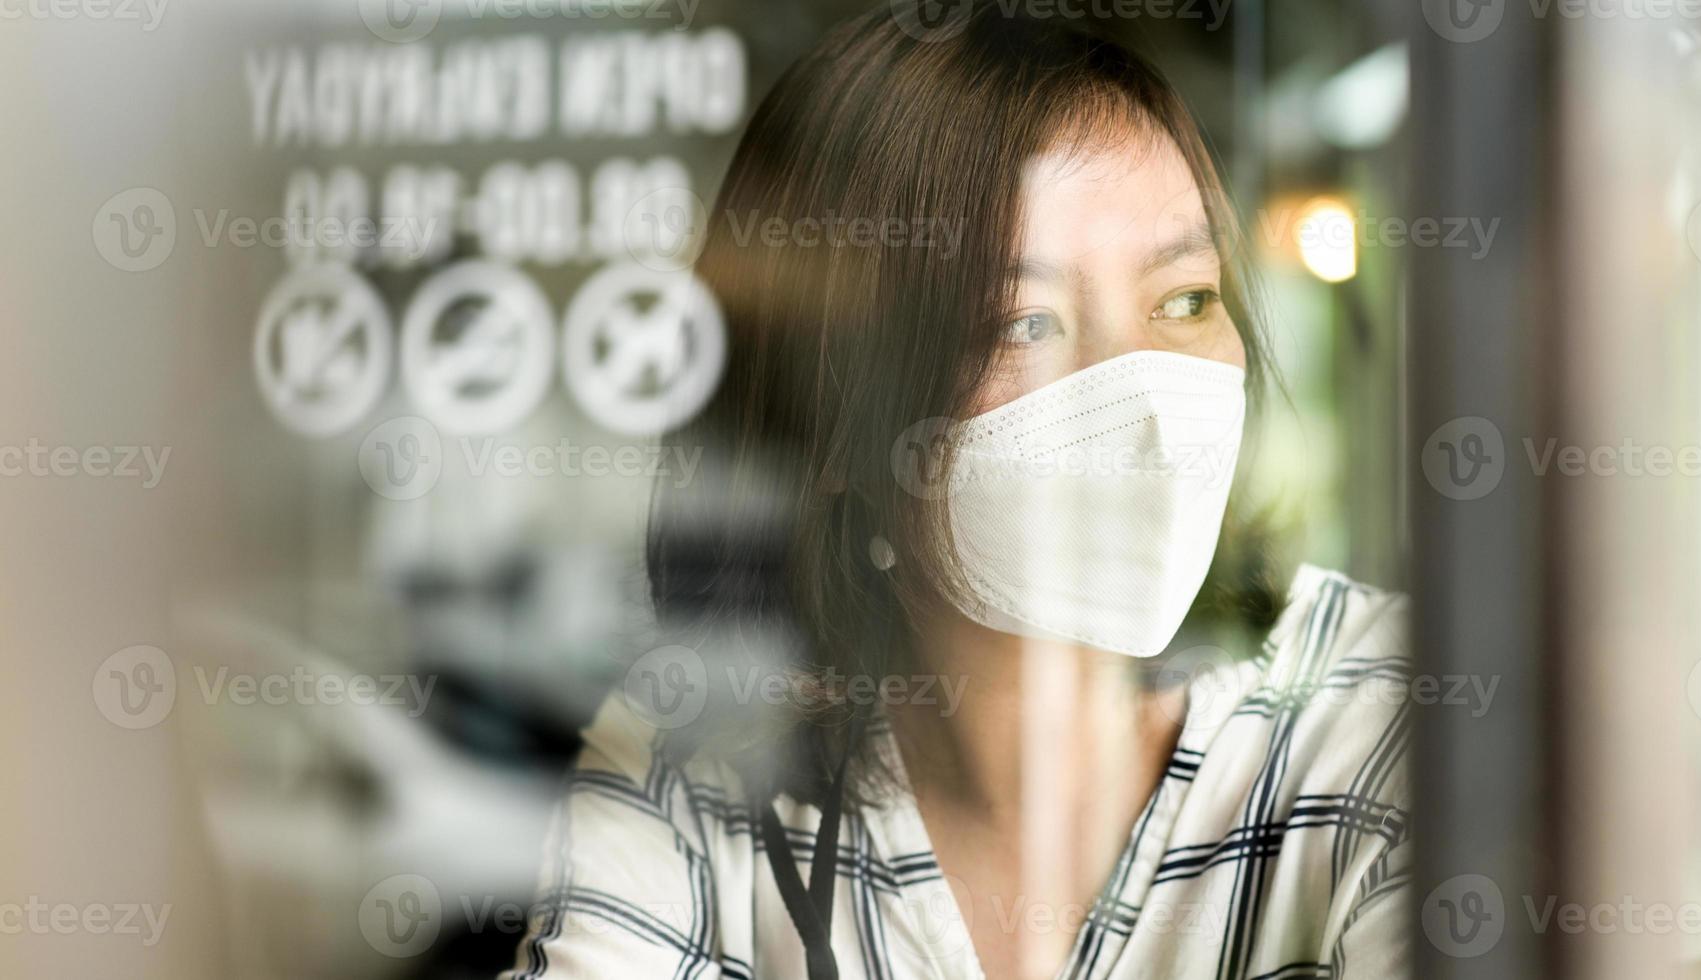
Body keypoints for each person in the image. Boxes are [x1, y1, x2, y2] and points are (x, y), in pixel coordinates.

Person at [505, 3, 1411, 977]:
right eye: (1025, 323)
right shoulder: (703, 757)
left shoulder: (1385, 716)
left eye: (1186, 298)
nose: (1146, 397)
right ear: (836, 414)